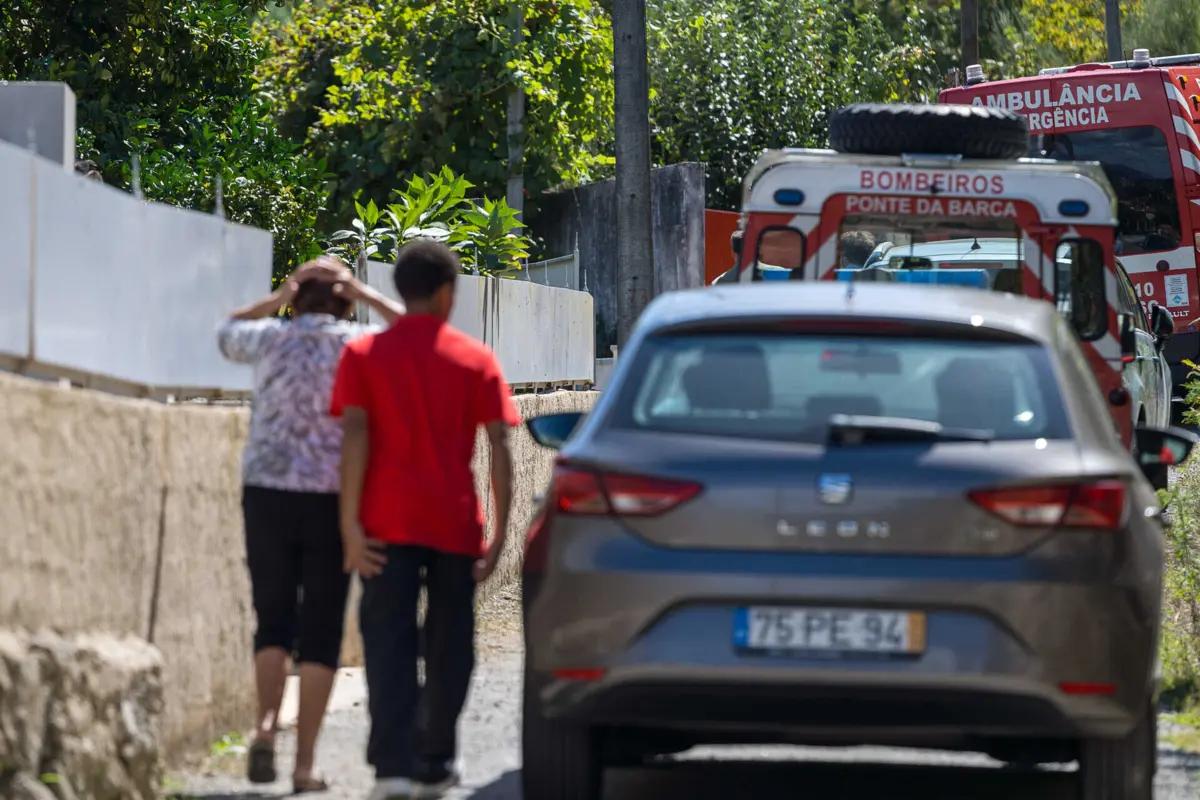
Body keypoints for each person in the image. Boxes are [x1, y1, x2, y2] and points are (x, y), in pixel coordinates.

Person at [330, 239, 519, 800]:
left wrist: (349, 527)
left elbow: (355, 437)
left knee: (386, 641)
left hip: (385, 522)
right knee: (450, 643)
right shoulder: (475, 359)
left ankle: (391, 765)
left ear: (401, 290)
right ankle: (435, 760)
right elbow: (501, 448)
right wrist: (502, 532)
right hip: (454, 525)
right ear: (446, 293)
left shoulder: (364, 357)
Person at [217, 256, 405, 794]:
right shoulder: (358, 346)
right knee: (320, 630)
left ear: (297, 298)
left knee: (272, 618)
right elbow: (414, 334)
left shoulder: (270, 340)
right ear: (345, 301)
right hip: (332, 501)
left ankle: (264, 725)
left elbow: (225, 328)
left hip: (266, 493)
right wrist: (367, 295)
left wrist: (275, 299)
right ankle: (303, 767)